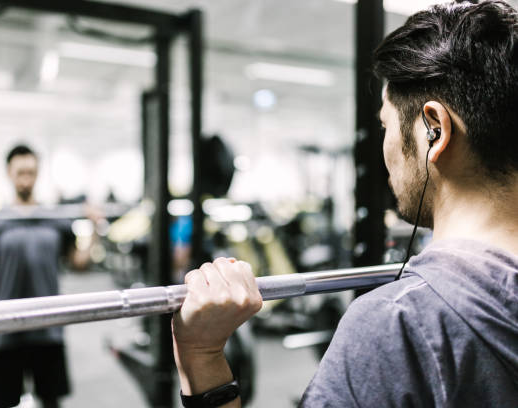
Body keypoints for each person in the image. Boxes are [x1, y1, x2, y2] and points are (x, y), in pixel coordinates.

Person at [171, 1, 518, 407]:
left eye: (386, 126)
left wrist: (200, 355)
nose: (384, 149)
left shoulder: (398, 325)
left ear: (434, 131)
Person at [0, 145, 90, 408]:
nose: (26, 178)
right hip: (6, 328)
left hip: (48, 328)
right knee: (4, 401)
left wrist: (95, 228)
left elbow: (79, 263)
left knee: (51, 400)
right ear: (9, 174)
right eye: (20, 172)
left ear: (37, 174)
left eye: (31, 172)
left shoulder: (56, 220)